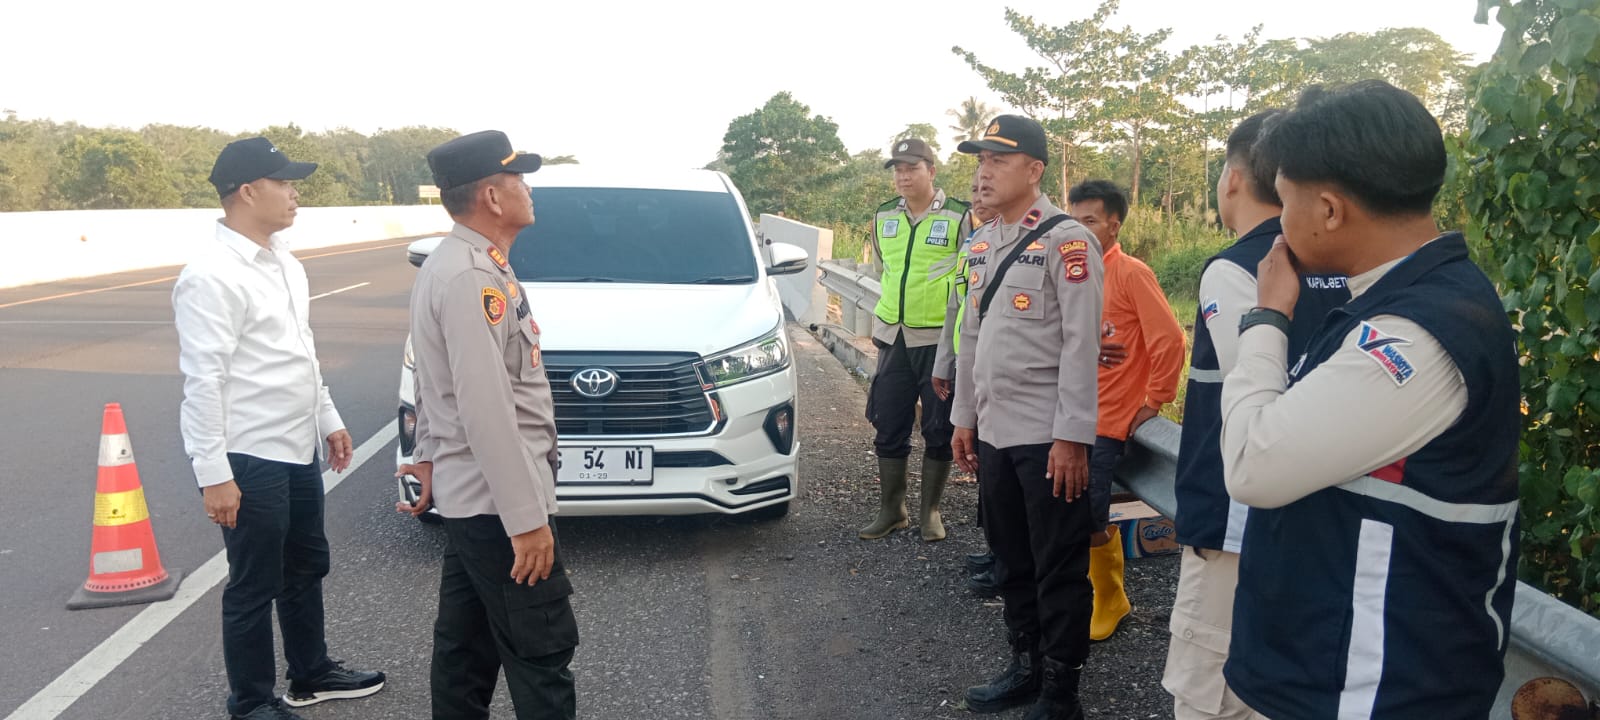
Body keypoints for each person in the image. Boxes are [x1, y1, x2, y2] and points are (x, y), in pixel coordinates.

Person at [1221, 81, 1520, 719]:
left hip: (1378, 687)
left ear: (1328, 209)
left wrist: (1267, 317)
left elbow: (1252, 462)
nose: (1280, 219)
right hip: (1345, 668)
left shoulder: (1418, 335)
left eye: (1286, 200)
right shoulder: (1395, 301)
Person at [174, 137, 385, 720]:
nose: (295, 193)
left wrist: (328, 418)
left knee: (305, 566)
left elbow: (300, 352)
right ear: (248, 191)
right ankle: (250, 702)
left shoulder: (285, 262)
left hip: (295, 446)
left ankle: (311, 674)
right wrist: (213, 473)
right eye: (284, 182)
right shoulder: (211, 277)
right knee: (252, 585)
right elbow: (204, 381)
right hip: (248, 452)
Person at [1159, 109, 1351, 720]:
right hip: (1320, 513)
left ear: (1233, 178)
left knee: (1210, 692)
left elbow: (1257, 381)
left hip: (1237, 520)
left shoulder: (1236, 267)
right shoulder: (1344, 266)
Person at [397, 130, 578, 720]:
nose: (528, 190)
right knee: (540, 656)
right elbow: (484, 409)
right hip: (498, 506)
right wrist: (526, 522)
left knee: (465, 655)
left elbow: (432, 380)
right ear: (493, 199)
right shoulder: (471, 279)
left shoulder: (469, 266)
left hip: (473, 499)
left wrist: (424, 456)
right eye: (518, 179)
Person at [951, 115, 1104, 720]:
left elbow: (1080, 345)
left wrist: (1073, 438)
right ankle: (1025, 666)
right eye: (979, 159)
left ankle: (1062, 693)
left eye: (998, 160)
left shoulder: (1068, 241)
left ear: (1035, 171)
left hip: (1047, 439)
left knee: (1057, 565)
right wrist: (965, 418)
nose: (983, 171)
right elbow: (970, 337)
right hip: (994, 432)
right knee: (1010, 558)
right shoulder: (983, 242)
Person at [1065, 180, 1185, 642]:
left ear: (1114, 225)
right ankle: (1084, 593)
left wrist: (1154, 401)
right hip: (1067, 414)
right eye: (1072, 221)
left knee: (1091, 513)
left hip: (1108, 420)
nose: (1079, 230)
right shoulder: (1072, 271)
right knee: (1068, 510)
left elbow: (1170, 340)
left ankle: (1111, 599)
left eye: (1090, 221)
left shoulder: (1131, 273)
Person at [859, 137, 970, 542]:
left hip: (939, 339)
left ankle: (930, 512)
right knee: (888, 422)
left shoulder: (961, 217)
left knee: (939, 427)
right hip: (893, 335)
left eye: (912, 168)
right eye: (898, 169)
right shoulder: (883, 216)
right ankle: (892, 509)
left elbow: (971, 279)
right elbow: (881, 268)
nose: (903, 176)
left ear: (932, 171)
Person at [932, 172, 1003, 594]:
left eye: (985, 189)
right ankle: (995, 548)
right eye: (973, 191)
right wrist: (945, 363)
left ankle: (1004, 556)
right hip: (967, 365)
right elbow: (955, 310)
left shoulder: (1018, 244)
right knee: (981, 464)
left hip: (995, 373)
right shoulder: (971, 247)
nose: (979, 198)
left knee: (996, 468)